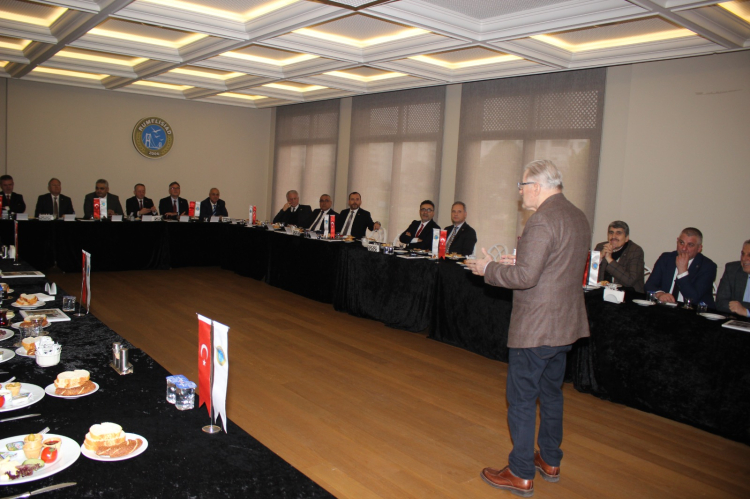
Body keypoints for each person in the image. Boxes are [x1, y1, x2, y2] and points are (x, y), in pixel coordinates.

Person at [467, 160, 591, 497]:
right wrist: (518, 262)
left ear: (536, 186)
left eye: (522, 186)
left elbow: (526, 278)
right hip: (564, 325)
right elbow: (554, 267)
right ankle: (550, 460)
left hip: (536, 327)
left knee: (521, 399)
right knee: (551, 394)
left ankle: (521, 472)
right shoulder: (577, 216)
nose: (520, 193)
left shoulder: (541, 220)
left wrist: (488, 269)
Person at [644, 228, 717, 307]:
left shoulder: (708, 266)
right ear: (677, 241)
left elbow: (693, 299)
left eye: (690, 245)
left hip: (694, 311)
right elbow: (649, 285)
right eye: (681, 243)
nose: (684, 248)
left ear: (699, 248)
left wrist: (682, 271)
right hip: (664, 308)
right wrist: (660, 294)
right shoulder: (666, 258)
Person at [593, 221, 645, 293]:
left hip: (628, 293)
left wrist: (609, 259)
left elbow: (630, 281)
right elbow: (589, 276)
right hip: (602, 291)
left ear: (626, 238)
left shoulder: (635, 251)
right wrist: (599, 258)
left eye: (618, 233)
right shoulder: (601, 247)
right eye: (611, 233)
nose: (613, 236)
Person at [715, 239, 750, 317]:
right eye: (743, 254)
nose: (744, 258)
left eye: (749, 255)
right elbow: (720, 303)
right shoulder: (732, 270)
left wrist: (745, 311)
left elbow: (739, 308)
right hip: (735, 320)